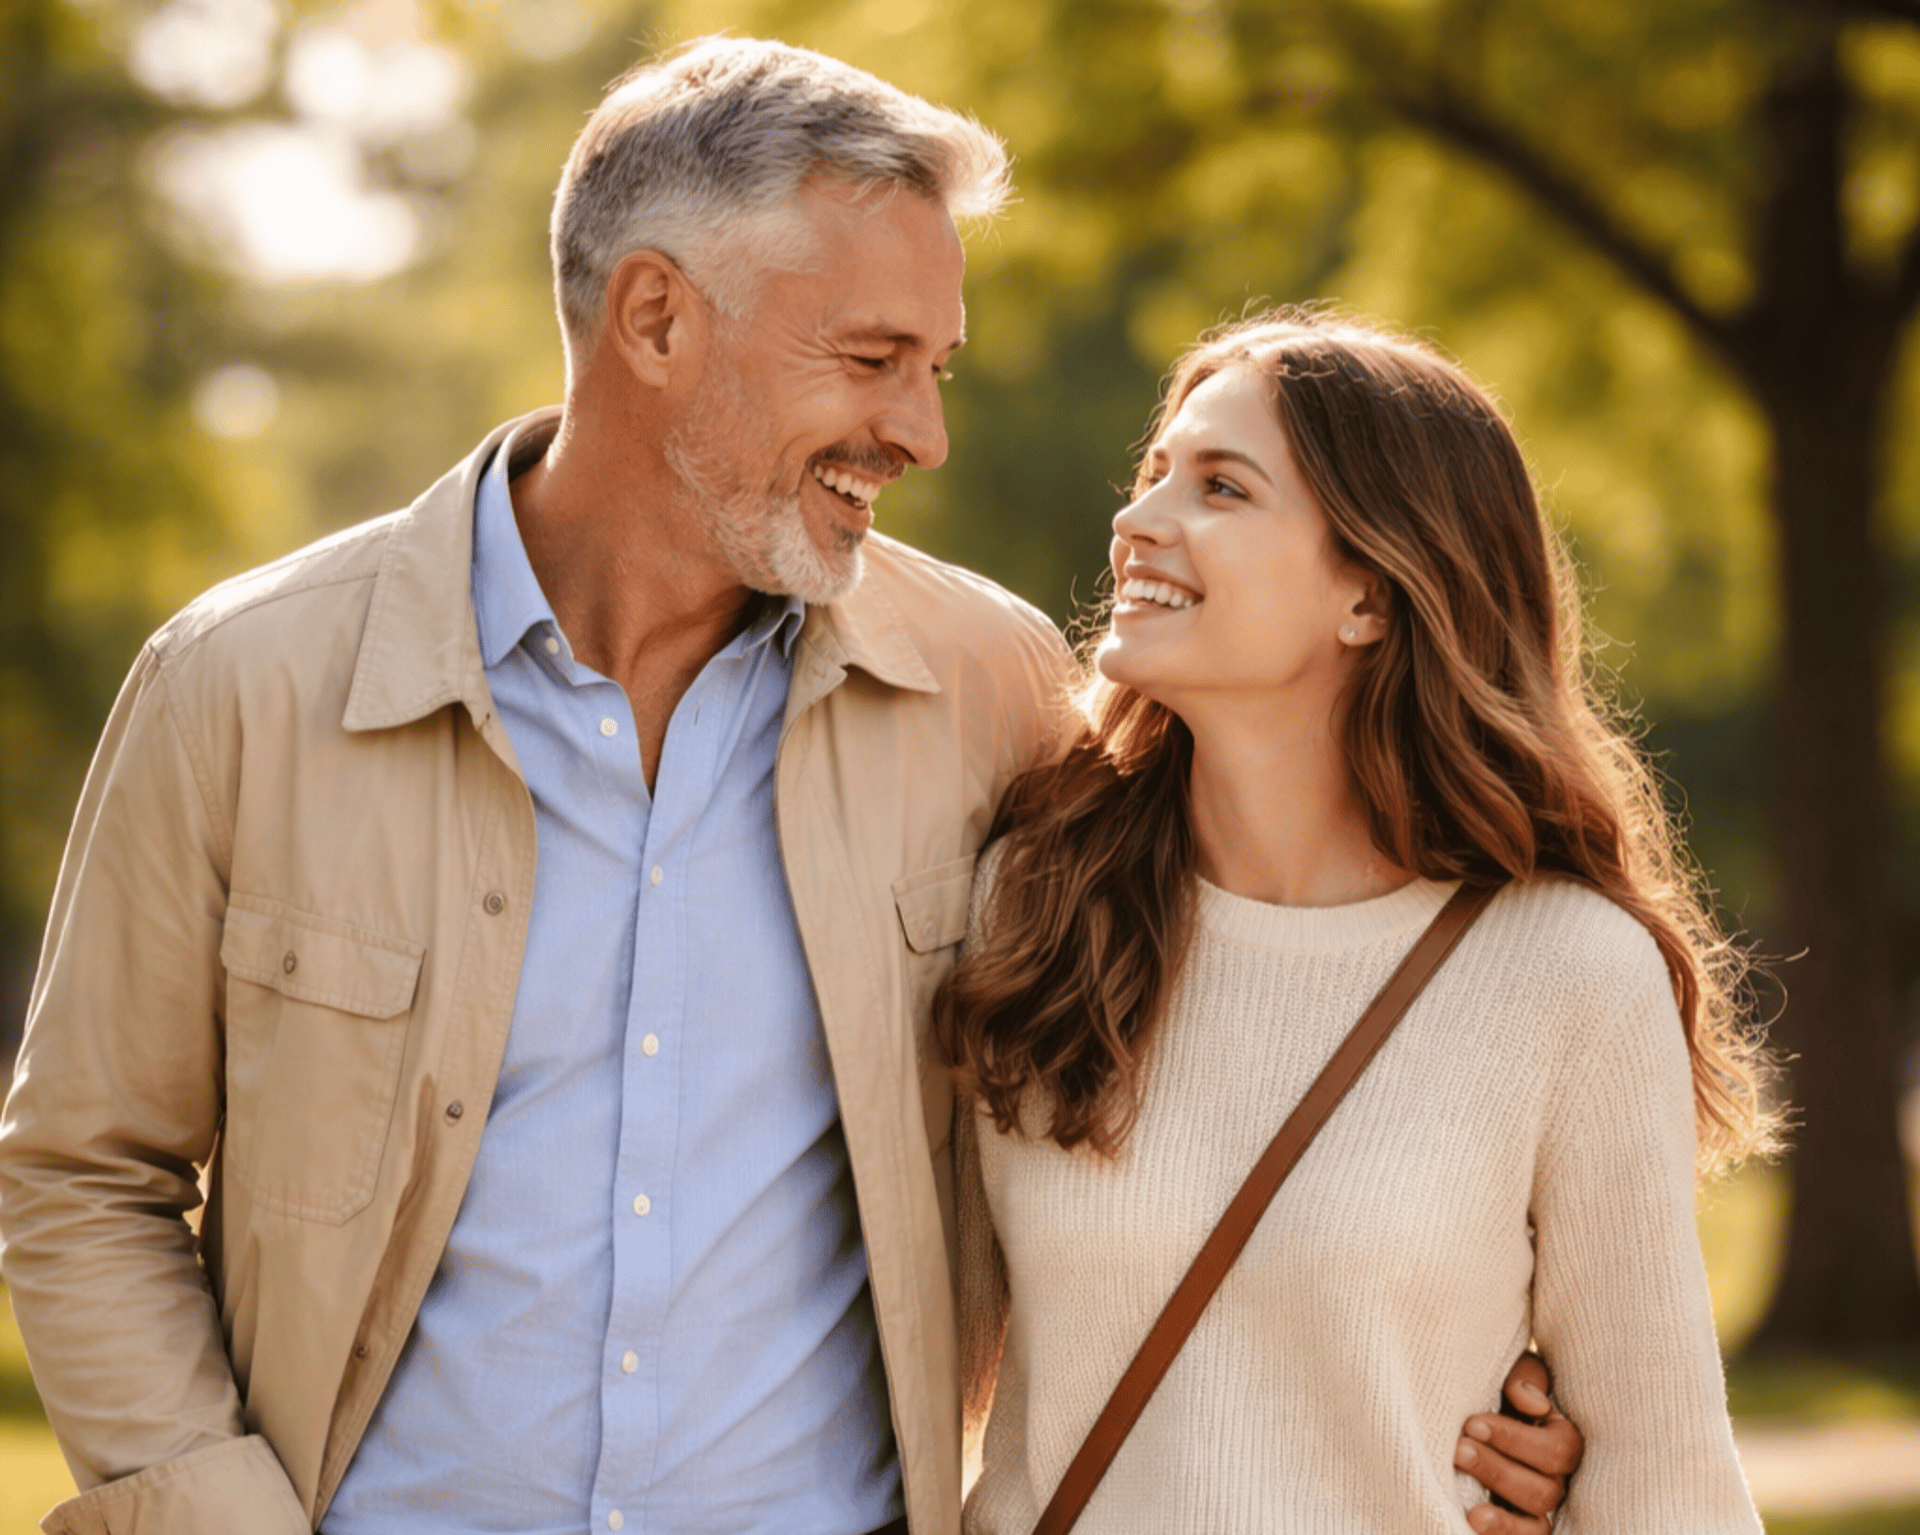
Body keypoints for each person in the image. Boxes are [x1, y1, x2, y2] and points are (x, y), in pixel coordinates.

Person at [0, 42, 1577, 1535]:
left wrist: (1469, 1368)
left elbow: (1238, 1016)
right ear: (657, 318)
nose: (923, 430)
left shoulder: (993, 692)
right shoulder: (242, 687)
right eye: (874, 359)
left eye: (935, 365)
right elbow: (83, 1171)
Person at [938, 311, 1772, 1533]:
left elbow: (1665, 1482)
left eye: (1221, 484)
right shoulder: (1030, 896)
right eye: (1154, 471)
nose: (1139, 520)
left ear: (1372, 594)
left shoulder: (1568, 974)